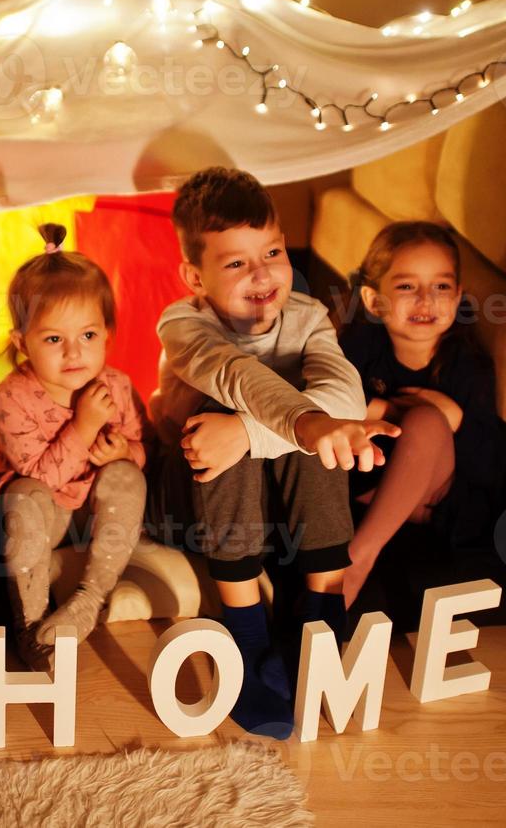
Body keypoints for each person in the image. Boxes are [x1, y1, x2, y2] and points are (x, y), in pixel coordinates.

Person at [148, 167, 396, 739]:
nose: (262, 275)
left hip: (283, 504)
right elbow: (235, 375)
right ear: (194, 275)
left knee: (320, 419)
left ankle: (321, 622)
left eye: (274, 252)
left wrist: (251, 433)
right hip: (190, 497)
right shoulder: (183, 324)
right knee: (227, 405)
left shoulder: (308, 318)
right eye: (236, 263)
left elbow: (344, 393)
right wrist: (269, 426)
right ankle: (245, 631)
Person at [0, 224, 148, 671]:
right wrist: (84, 425)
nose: (74, 352)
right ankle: (32, 626)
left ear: (107, 334)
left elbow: (140, 446)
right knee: (24, 497)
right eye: (54, 339)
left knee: (128, 478)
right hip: (44, 516)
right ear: (23, 344)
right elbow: (37, 476)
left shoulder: (116, 384)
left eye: (89, 336)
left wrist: (124, 454)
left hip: (95, 513)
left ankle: (90, 599)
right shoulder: (13, 395)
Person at [339, 221, 503, 608]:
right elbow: (329, 397)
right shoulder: (362, 343)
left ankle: (358, 558)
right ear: (374, 300)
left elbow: (486, 464)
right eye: (407, 286)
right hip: (367, 484)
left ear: (459, 295)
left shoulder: (468, 366)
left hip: (434, 502)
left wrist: (452, 419)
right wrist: (394, 409)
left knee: (428, 422)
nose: (426, 299)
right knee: (407, 416)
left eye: (442, 286)